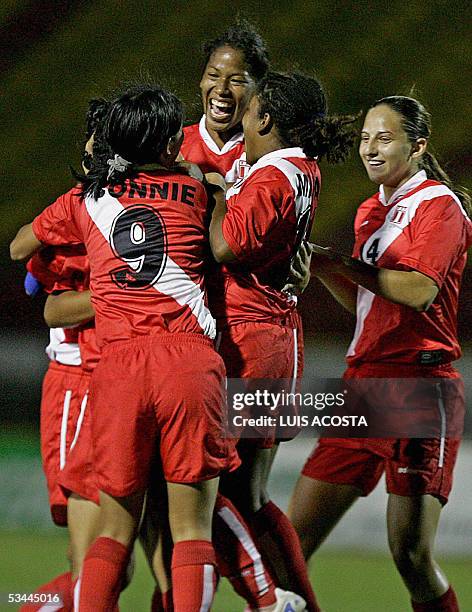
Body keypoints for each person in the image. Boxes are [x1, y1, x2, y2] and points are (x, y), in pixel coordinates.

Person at [11, 83, 233, 612]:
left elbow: (21, 244)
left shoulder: (88, 200)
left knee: (113, 532)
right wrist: (216, 188)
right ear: (162, 146)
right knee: (190, 531)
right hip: (187, 360)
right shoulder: (198, 191)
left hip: (117, 368)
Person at [288, 95, 472, 612]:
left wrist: (346, 264)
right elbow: (369, 301)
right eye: (366, 138)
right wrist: (328, 271)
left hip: (419, 388)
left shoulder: (439, 205)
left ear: (418, 145)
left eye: (384, 138)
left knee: (410, 555)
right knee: (291, 546)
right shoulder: (372, 209)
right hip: (362, 387)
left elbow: (417, 292)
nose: (370, 148)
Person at [208, 70, 357, 612]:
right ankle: (287, 603)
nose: (238, 117)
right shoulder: (294, 168)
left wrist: (221, 194)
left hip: (253, 344)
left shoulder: (273, 179)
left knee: (216, 494)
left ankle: (274, 602)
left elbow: (226, 246)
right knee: (246, 496)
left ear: (267, 119)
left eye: (248, 110)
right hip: (270, 337)